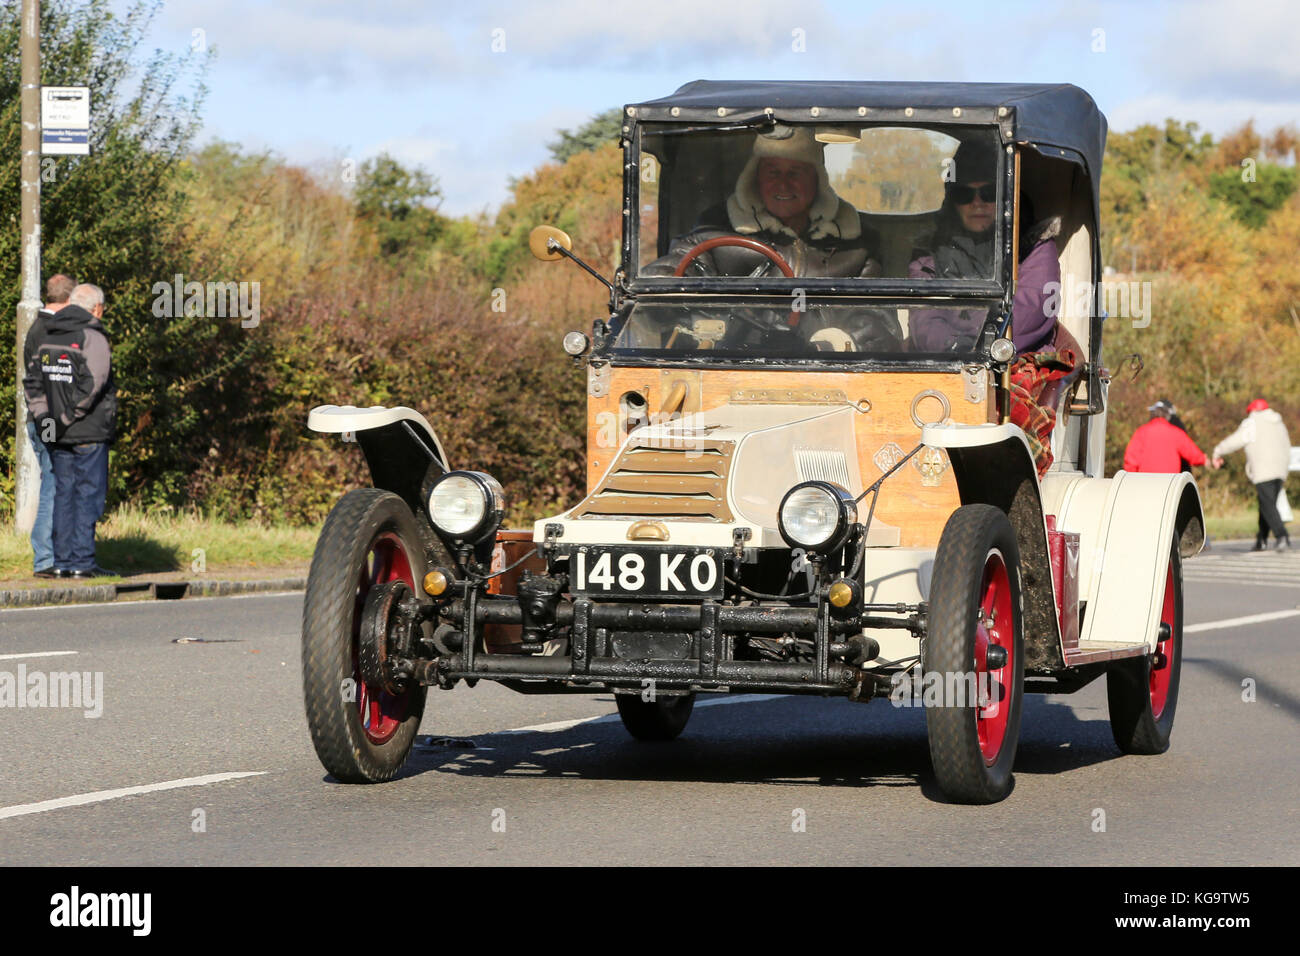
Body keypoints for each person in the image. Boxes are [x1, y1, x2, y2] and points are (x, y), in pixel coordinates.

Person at [644, 125, 902, 351]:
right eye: (772, 172)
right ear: (755, 179)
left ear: (817, 180)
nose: (783, 185)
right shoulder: (715, 229)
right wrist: (661, 285)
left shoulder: (855, 245)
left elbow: (878, 320)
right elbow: (680, 269)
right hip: (730, 364)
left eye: (795, 173)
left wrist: (835, 342)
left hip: (827, 372)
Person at [907, 138, 1061, 354]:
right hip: (946, 364)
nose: (977, 202)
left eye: (988, 193)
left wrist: (978, 344)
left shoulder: (1034, 245)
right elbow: (924, 320)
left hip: (1012, 363)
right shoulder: (929, 251)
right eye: (964, 194)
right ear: (952, 200)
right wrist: (957, 348)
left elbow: (1032, 312)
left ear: (1004, 197)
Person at [23, 282, 118, 577]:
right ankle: (82, 562)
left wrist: (47, 420)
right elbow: (93, 385)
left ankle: (62, 562)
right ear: (97, 308)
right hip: (88, 431)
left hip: (57, 432)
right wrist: (66, 417)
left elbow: (33, 383)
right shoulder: (93, 337)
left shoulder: (46, 334)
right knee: (88, 495)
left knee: (63, 494)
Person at [23, 274, 77, 577]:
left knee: (53, 481)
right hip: (48, 417)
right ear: (68, 301)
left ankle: (53, 555)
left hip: (40, 415)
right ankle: (45, 558)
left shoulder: (37, 327)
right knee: (54, 483)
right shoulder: (51, 329)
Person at [1212, 399, 1292, 551]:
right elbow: (1287, 445)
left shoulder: (1252, 422)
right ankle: (1261, 540)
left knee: (1268, 505)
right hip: (1280, 469)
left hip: (1263, 469)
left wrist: (1218, 451)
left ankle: (1282, 536)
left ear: (1252, 410)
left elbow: (1236, 440)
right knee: (1267, 504)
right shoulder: (1279, 422)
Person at [1123, 399, 1210, 473]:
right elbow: (1191, 452)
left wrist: (1131, 480)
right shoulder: (1176, 432)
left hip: (1145, 484)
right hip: (1169, 486)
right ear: (1168, 415)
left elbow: (1131, 460)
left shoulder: (1141, 432)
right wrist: (1203, 459)